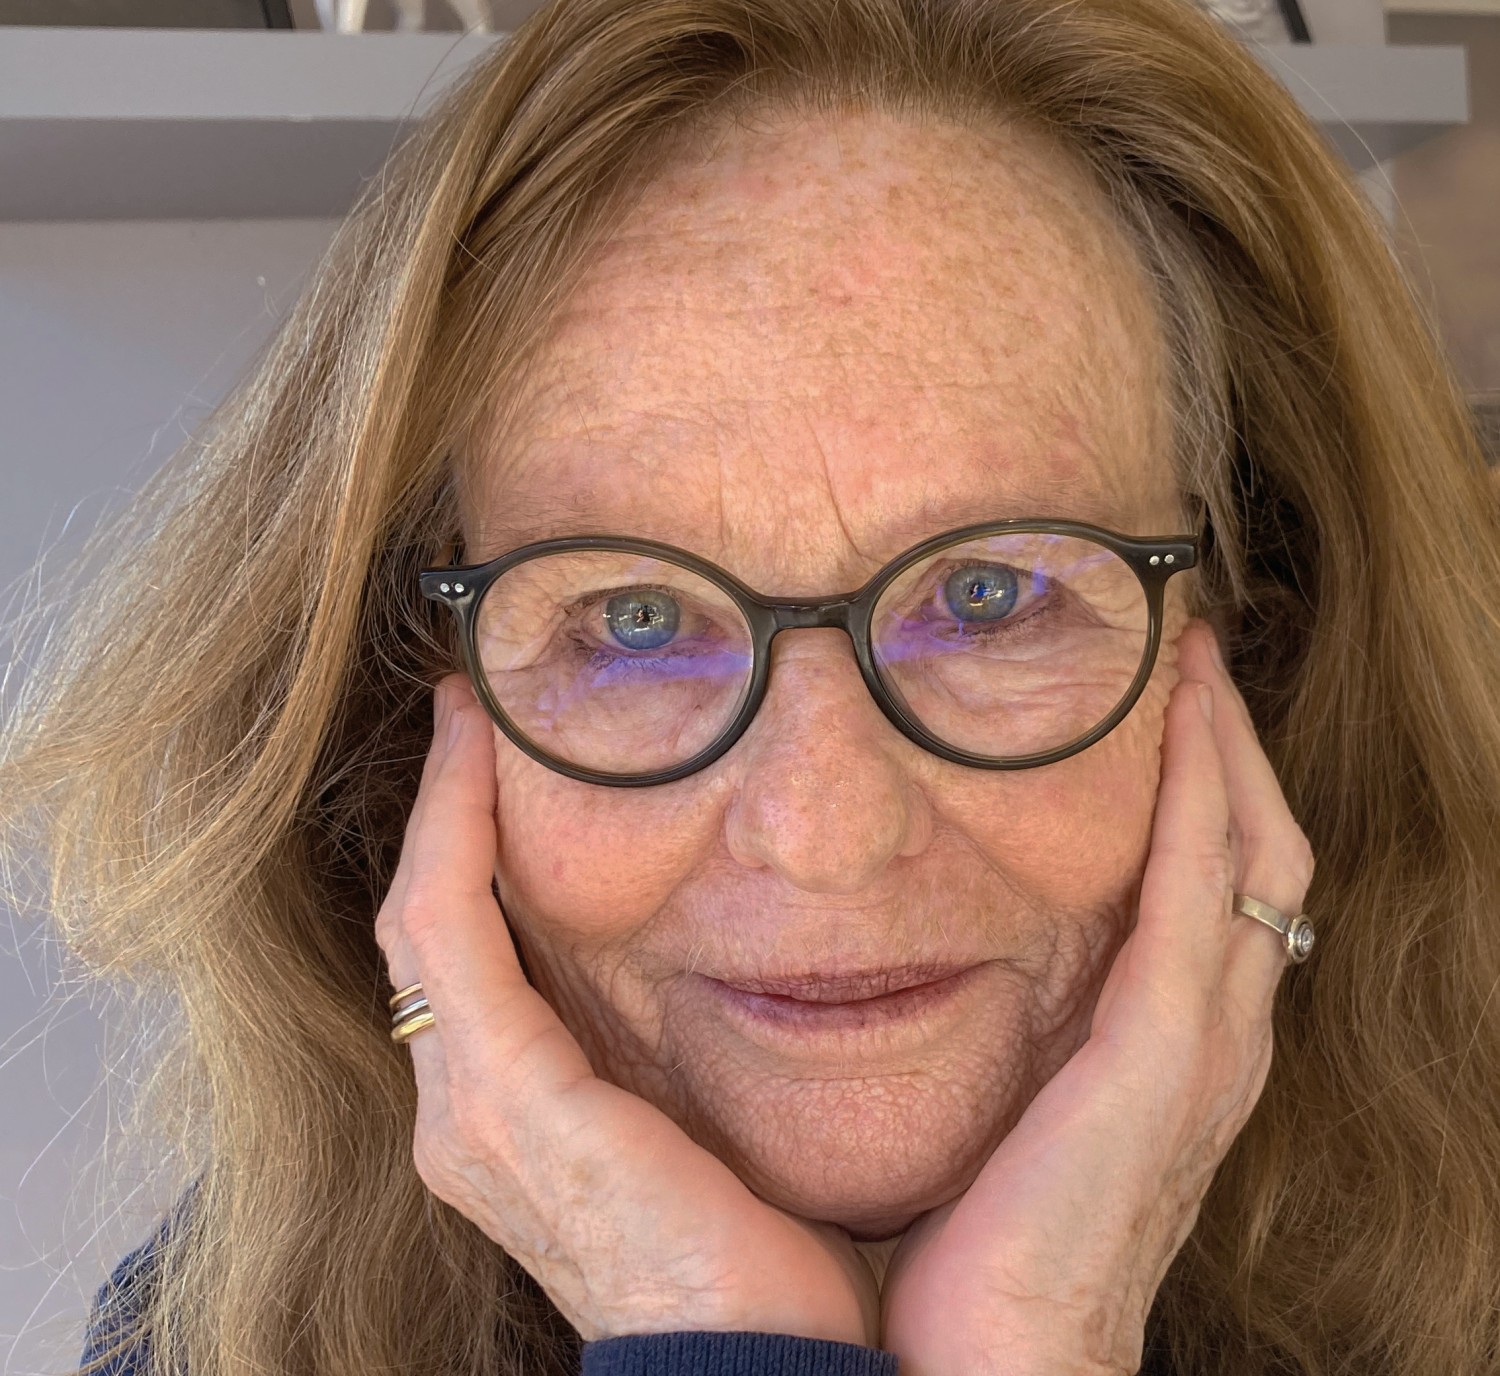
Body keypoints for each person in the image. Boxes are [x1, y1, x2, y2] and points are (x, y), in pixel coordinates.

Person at [3, 0, 1497, 1372]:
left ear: (1261, 637)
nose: (824, 834)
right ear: (414, 699)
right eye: (637, 619)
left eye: (990, 597)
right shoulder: (215, 1333)